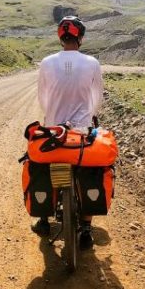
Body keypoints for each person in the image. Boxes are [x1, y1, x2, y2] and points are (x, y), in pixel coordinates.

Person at [34, 16, 104, 248]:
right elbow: (97, 98)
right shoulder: (92, 62)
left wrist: (53, 116)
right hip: (81, 132)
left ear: (60, 37)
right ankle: (85, 228)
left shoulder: (46, 62)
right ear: (80, 37)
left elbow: (43, 98)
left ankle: (43, 219)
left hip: (54, 131)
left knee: (42, 166)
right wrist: (87, 118)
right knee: (91, 169)